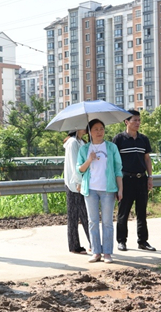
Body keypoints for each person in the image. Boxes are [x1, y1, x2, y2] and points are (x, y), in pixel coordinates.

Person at [77, 119, 123, 264]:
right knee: (93, 221)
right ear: (90, 132)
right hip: (90, 189)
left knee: (108, 222)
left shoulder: (111, 147)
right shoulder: (84, 149)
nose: (99, 131)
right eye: (95, 129)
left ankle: (107, 253)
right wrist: (89, 160)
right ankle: (96, 251)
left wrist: (120, 189)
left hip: (108, 189)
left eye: (101, 128)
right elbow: (80, 169)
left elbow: (118, 170)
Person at [113, 110, 155, 252]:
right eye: (134, 120)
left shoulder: (144, 139)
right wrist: (116, 183)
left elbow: (147, 159)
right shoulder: (119, 139)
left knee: (142, 212)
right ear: (126, 122)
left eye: (139, 120)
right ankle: (121, 241)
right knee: (123, 212)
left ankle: (143, 241)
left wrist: (149, 177)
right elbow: (113, 161)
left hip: (141, 179)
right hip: (125, 180)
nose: (137, 123)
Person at [63, 129, 91, 255]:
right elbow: (74, 164)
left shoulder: (81, 142)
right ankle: (75, 245)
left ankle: (92, 242)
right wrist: (78, 182)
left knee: (85, 214)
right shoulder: (73, 142)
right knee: (75, 216)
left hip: (80, 183)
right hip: (74, 184)